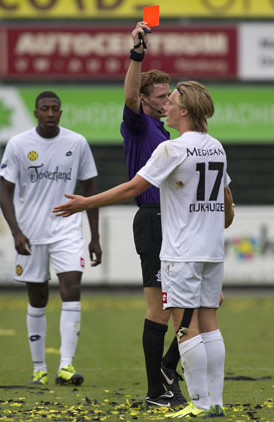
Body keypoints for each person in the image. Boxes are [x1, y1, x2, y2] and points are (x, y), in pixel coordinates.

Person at [53, 80, 234, 418]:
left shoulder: (173, 149)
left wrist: (86, 202)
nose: (168, 104)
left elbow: (134, 187)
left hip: (182, 251)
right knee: (210, 323)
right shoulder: (216, 147)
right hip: (212, 251)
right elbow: (227, 206)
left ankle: (199, 403)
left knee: (185, 328)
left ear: (184, 111)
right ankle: (216, 402)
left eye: (173, 99)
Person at [0, 91, 102, 386]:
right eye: (45, 109)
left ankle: (66, 366)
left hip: (67, 230)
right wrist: (16, 231)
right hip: (30, 233)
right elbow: (4, 190)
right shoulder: (18, 145)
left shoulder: (76, 143)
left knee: (72, 288)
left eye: (55, 109)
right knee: (38, 297)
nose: (50, 113)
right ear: (36, 113)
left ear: (61, 112)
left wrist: (95, 237)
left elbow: (90, 190)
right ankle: (39, 367)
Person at [120, 21, 186, 408]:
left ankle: (166, 370)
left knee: (196, 301)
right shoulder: (140, 125)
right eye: (159, 96)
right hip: (152, 220)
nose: (165, 101)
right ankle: (157, 390)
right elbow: (129, 96)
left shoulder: (164, 132)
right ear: (145, 100)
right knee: (160, 309)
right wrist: (136, 57)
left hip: (173, 221)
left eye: (167, 95)